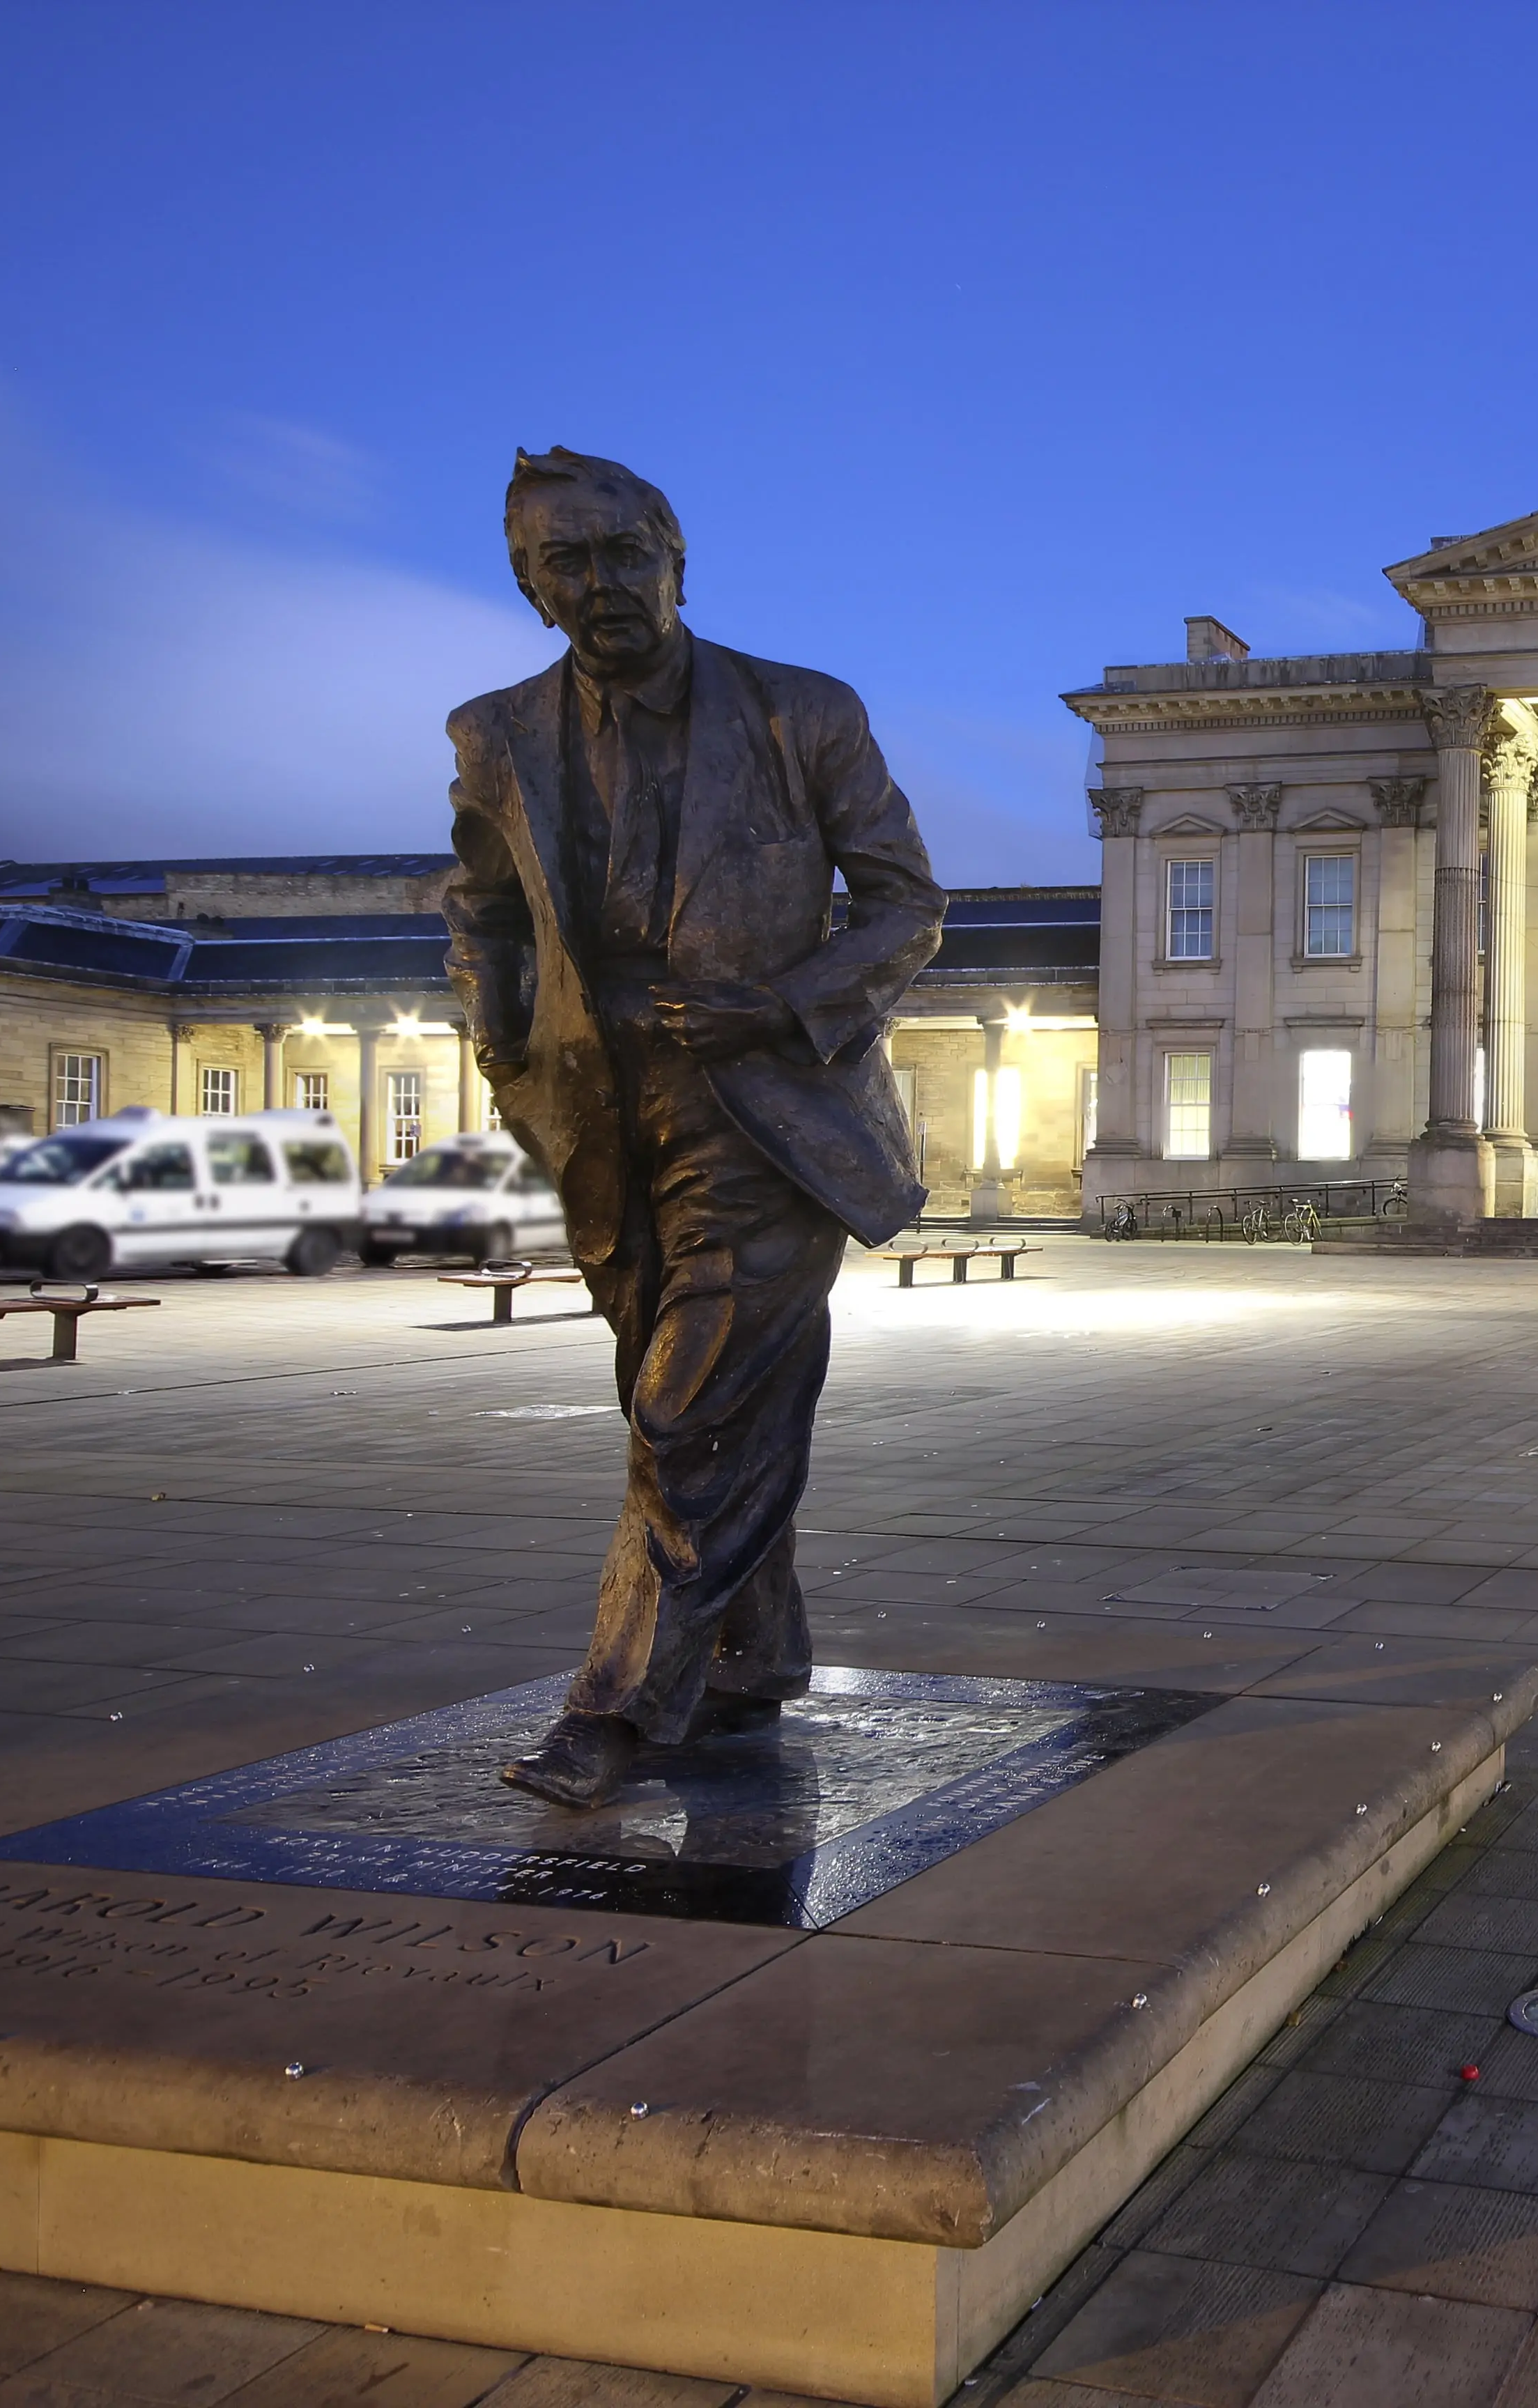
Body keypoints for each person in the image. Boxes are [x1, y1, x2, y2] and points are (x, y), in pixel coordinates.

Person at [442, 448, 943, 1809]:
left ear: (675, 559)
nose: (598, 583)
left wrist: (779, 1005)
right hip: (603, 1123)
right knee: (696, 1410)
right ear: (529, 584)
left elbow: (908, 907)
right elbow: (479, 911)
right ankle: (755, 1651)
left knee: (685, 1410)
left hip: (773, 1118)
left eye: (621, 554)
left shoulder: (802, 715)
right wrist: (501, 1042)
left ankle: (616, 1706)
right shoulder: (493, 734)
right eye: (566, 562)